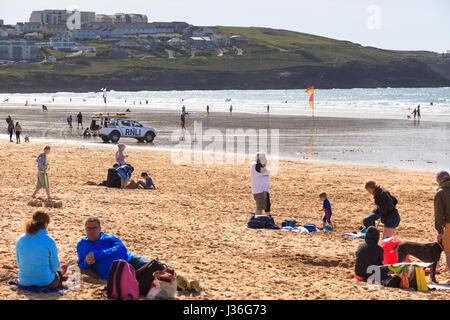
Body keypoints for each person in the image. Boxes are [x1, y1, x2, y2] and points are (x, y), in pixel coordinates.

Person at [76, 217, 151, 280]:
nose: (91, 231)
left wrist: (98, 254)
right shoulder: (81, 245)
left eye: (95, 228)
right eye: (89, 228)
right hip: (115, 272)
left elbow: (122, 249)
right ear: (85, 229)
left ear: (100, 229)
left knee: (155, 267)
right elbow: (82, 264)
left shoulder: (110, 238)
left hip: (130, 260)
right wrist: (87, 261)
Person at [16, 211, 66, 289]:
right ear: (45, 224)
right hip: (45, 282)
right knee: (58, 272)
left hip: (24, 281)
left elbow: (19, 263)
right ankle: (62, 273)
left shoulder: (20, 239)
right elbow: (55, 267)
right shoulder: (49, 241)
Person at [435, 171, 450, 275]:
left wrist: (439, 231)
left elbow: (438, 214)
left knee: (448, 249)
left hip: (449, 223)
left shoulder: (441, 193)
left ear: (440, 180)